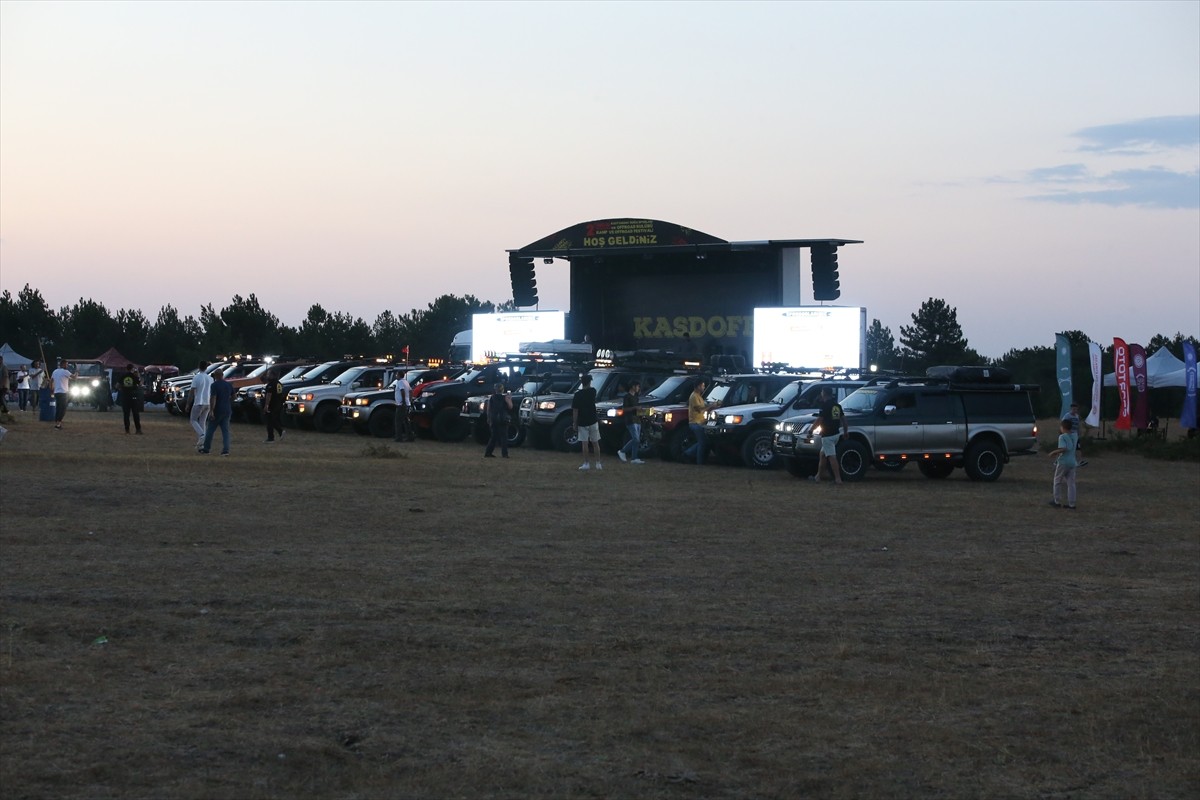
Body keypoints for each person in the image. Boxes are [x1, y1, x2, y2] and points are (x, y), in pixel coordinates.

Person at [811, 386, 848, 484]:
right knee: (822, 454)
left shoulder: (825, 406)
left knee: (832, 457)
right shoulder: (837, 406)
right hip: (836, 434)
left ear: (824, 393)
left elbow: (819, 420)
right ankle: (818, 477)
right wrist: (845, 432)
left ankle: (838, 479)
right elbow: (844, 420)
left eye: (822, 392)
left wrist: (811, 430)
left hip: (827, 435)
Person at [681, 379, 716, 465]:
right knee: (702, 442)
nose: (704, 387)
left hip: (699, 422)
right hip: (695, 423)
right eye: (703, 385)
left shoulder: (698, 396)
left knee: (703, 442)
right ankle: (697, 460)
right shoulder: (694, 397)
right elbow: (699, 409)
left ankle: (689, 454)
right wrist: (712, 406)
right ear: (698, 386)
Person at [571, 373, 602, 470]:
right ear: (589, 382)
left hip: (582, 421)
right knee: (595, 442)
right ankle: (598, 463)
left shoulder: (577, 395)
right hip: (593, 420)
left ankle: (586, 463)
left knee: (584, 443)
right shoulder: (593, 391)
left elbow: (575, 410)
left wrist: (574, 422)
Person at [201, 369, 234, 455]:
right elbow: (234, 396)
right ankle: (226, 450)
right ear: (222, 375)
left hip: (217, 410)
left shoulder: (214, 385)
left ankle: (206, 448)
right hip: (227, 410)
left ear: (215, 376)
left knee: (210, 430)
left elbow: (213, 398)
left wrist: (211, 410)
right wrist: (227, 401)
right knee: (225, 431)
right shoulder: (228, 385)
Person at [1048, 418, 1078, 509]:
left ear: (1063, 427)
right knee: (1071, 483)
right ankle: (1072, 504)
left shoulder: (1062, 437)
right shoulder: (1075, 436)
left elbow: (1064, 448)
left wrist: (1054, 452)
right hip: (1072, 462)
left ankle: (1057, 501)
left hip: (1063, 462)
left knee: (1057, 481)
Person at [617, 379, 645, 464]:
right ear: (633, 386)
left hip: (637, 419)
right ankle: (622, 451)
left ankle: (634, 458)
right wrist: (634, 408)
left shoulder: (636, 396)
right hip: (630, 420)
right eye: (637, 386)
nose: (638, 388)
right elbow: (624, 409)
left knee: (637, 439)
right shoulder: (627, 397)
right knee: (635, 439)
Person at [484, 382, 513, 458]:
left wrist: (488, 418)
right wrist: (509, 399)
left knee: (493, 436)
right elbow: (510, 407)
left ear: (495, 389)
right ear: (502, 389)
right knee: (504, 437)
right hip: (502, 418)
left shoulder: (492, 397)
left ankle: (488, 452)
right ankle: (504, 454)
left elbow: (488, 409)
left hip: (493, 418)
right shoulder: (505, 398)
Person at [188, 361, 213, 450]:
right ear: (206, 368)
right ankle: (202, 444)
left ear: (199, 367)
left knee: (193, 420)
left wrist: (188, 403)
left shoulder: (196, 377)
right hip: (208, 402)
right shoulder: (210, 378)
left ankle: (202, 435)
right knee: (202, 422)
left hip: (199, 402)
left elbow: (192, 391)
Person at [116, 363, 143, 434]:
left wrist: (122, 388)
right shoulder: (134, 376)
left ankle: (127, 430)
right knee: (135, 414)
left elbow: (117, 386)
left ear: (126, 368)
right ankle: (138, 429)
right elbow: (140, 384)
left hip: (125, 397)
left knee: (126, 414)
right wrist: (138, 375)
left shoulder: (123, 376)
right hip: (133, 396)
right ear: (132, 369)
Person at [51, 358, 76, 429]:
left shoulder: (55, 371)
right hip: (63, 392)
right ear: (63, 364)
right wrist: (77, 372)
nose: (67, 365)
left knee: (58, 408)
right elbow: (74, 377)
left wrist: (52, 389)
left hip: (57, 392)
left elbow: (51, 380)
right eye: (66, 364)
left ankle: (57, 421)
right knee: (63, 409)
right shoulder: (65, 371)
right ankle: (58, 424)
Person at [262, 369, 286, 442]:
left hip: (272, 405)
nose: (267, 375)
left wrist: (266, 405)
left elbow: (269, 395)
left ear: (273, 375)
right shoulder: (279, 383)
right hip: (278, 404)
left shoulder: (271, 385)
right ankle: (280, 432)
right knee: (273, 419)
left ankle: (271, 437)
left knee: (269, 421)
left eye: (269, 374)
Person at [1061, 401, 1088, 466]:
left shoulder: (1077, 416)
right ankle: (1058, 461)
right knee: (1065, 448)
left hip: (1075, 435)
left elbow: (1078, 425)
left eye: (1076, 409)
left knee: (1078, 448)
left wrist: (1079, 432)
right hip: (1068, 435)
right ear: (1071, 409)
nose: (1074, 410)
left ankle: (1080, 461)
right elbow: (1063, 424)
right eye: (1073, 409)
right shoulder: (1067, 416)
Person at [393, 372, 414, 442]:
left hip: (401, 405)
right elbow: (411, 391)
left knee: (398, 421)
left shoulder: (400, 382)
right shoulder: (406, 382)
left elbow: (402, 391)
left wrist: (403, 401)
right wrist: (409, 400)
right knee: (406, 421)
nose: (396, 376)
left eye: (397, 374)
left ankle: (398, 437)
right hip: (407, 404)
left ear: (399, 375)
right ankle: (410, 436)